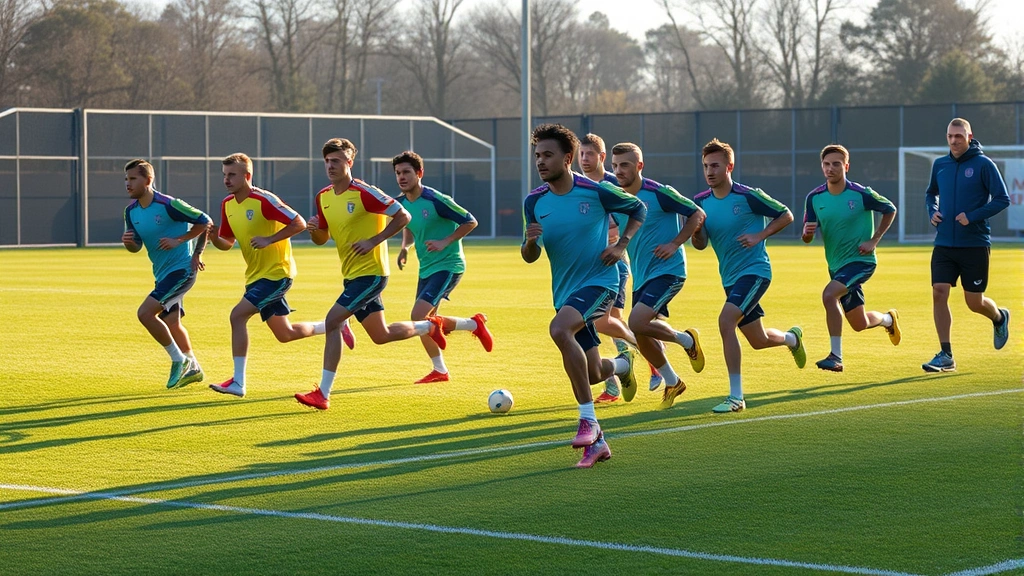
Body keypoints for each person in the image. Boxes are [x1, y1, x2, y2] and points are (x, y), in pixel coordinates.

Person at [294, 139, 483, 410]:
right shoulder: (323, 196)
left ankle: (322, 393)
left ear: (349, 163)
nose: (330, 166)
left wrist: (375, 240)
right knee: (380, 335)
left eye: (336, 161)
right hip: (350, 273)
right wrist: (314, 229)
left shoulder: (365, 192)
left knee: (333, 321)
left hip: (372, 274)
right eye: (327, 161)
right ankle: (429, 326)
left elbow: (403, 216)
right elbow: (322, 239)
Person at [522, 123, 647, 468]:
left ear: (568, 158)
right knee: (593, 372)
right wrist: (531, 242)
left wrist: (621, 245)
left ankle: (588, 419)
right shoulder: (534, 201)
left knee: (559, 330)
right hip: (564, 291)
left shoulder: (595, 191)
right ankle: (621, 368)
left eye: (548, 155)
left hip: (600, 281)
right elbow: (529, 256)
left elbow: (638, 209)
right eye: (537, 155)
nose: (540, 161)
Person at [692, 139, 805, 413]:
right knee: (758, 340)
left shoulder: (748, 196)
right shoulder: (700, 202)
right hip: (729, 278)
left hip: (755, 272)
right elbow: (700, 244)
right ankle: (792, 339)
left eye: (715, 165)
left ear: (729, 166)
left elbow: (786, 215)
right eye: (706, 166)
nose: (709, 171)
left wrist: (759, 235)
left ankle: (736, 398)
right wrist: (696, 229)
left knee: (725, 321)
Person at [207, 153, 325, 398]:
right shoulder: (227, 204)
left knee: (237, 316)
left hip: (277, 273)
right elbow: (227, 243)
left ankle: (238, 382)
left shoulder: (264, 200)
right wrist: (213, 237)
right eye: (225, 175)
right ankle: (333, 325)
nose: (227, 180)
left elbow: (299, 223)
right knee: (285, 334)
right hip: (255, 276)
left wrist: (269, 239)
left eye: (232, 175)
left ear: (247, 176)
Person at [611, 142, 706, 410]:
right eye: (615, 166)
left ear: (639, 166)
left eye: (625, 165)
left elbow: (697, 213)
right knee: (641, 334)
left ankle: (687, 340)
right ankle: (673, 381)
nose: (619, 171)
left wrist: (675, 243)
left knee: (636, 321)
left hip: (669, 271)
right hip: (642, 276)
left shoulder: (659, 192)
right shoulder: (618, 198)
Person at [394, 150, 493, 383]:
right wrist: (405, 247)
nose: (401, 177)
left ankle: (441, 367)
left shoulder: (436, 200)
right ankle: (471, 327)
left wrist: (445, 241)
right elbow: (408, 224)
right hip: (426, 268)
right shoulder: (401, 203)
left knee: (419, 316)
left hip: (449, 265)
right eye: (398, 173)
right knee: (428, 321)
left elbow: (470, 221)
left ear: (419, 173)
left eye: (406, 172)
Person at [577, 133, 663, 402]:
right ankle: (619, 380)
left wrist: (617, 238)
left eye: (589, 154)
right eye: (581, 154)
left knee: (600, 322)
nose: (584, 159)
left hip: (613, 265)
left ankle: (639, 352)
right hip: (589, 267)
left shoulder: (615, 186)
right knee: (607, 321)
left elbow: (638, 215)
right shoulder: (578, 187)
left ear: (602, 157)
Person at [801, 145, 901, 372]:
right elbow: (807, 235)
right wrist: (807, 235)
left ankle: (835, 356)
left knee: (829, 295)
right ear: (821, 167)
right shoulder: (814, 198)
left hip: (861, 261)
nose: (831, 168)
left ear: (846, 166)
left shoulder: (860, 193)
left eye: (836, 164)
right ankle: (888, 319)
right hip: (836, 266)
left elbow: (890, 209)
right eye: (826, 164)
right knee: (859, 323)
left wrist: (874, 240)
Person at [923, 118, 1011, 372]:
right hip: (944, 243)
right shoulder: (940, 165)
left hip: (974, 243)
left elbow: (1002, 199)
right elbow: (931, 193)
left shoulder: (984, 164)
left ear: (969, 136)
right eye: (950, 136)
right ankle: (946, 354)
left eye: (958, 136)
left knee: (974, 302)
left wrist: (972, 216)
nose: (953, 141)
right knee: (939, 291)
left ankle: (999, 316)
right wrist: (933, 211)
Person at [121, 159, 212, 389]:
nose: (127, 184)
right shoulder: (130, 212)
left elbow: (205, 222)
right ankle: (194, 367)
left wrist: (189, 248)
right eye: (126, 179)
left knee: (145, 313)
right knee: (172, 321)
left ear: (148, 180)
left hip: (182, 270)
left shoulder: (169, 204)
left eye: (133, 179)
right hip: (162, 273)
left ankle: (178, 360)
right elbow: (136, 246)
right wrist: (129, 243)